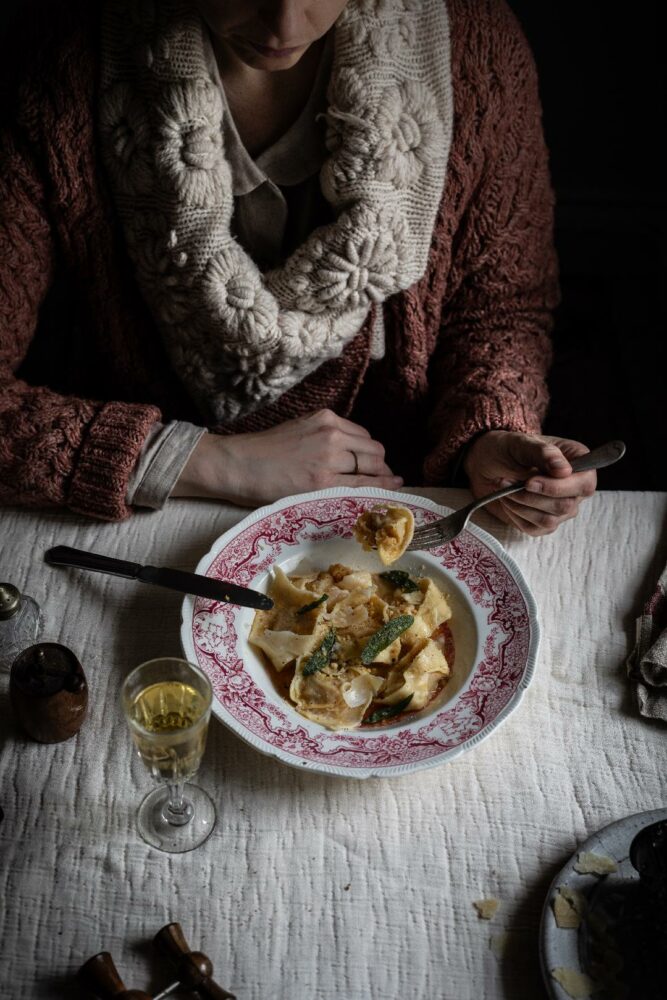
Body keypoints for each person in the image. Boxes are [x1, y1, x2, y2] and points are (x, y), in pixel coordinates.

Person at [0, 0, 597, 534]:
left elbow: (500, 308)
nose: (285, 22)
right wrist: (196, 459)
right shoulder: (62, 50)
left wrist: (489, 432)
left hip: (399, 497)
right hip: (140, 515)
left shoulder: (474, 44)